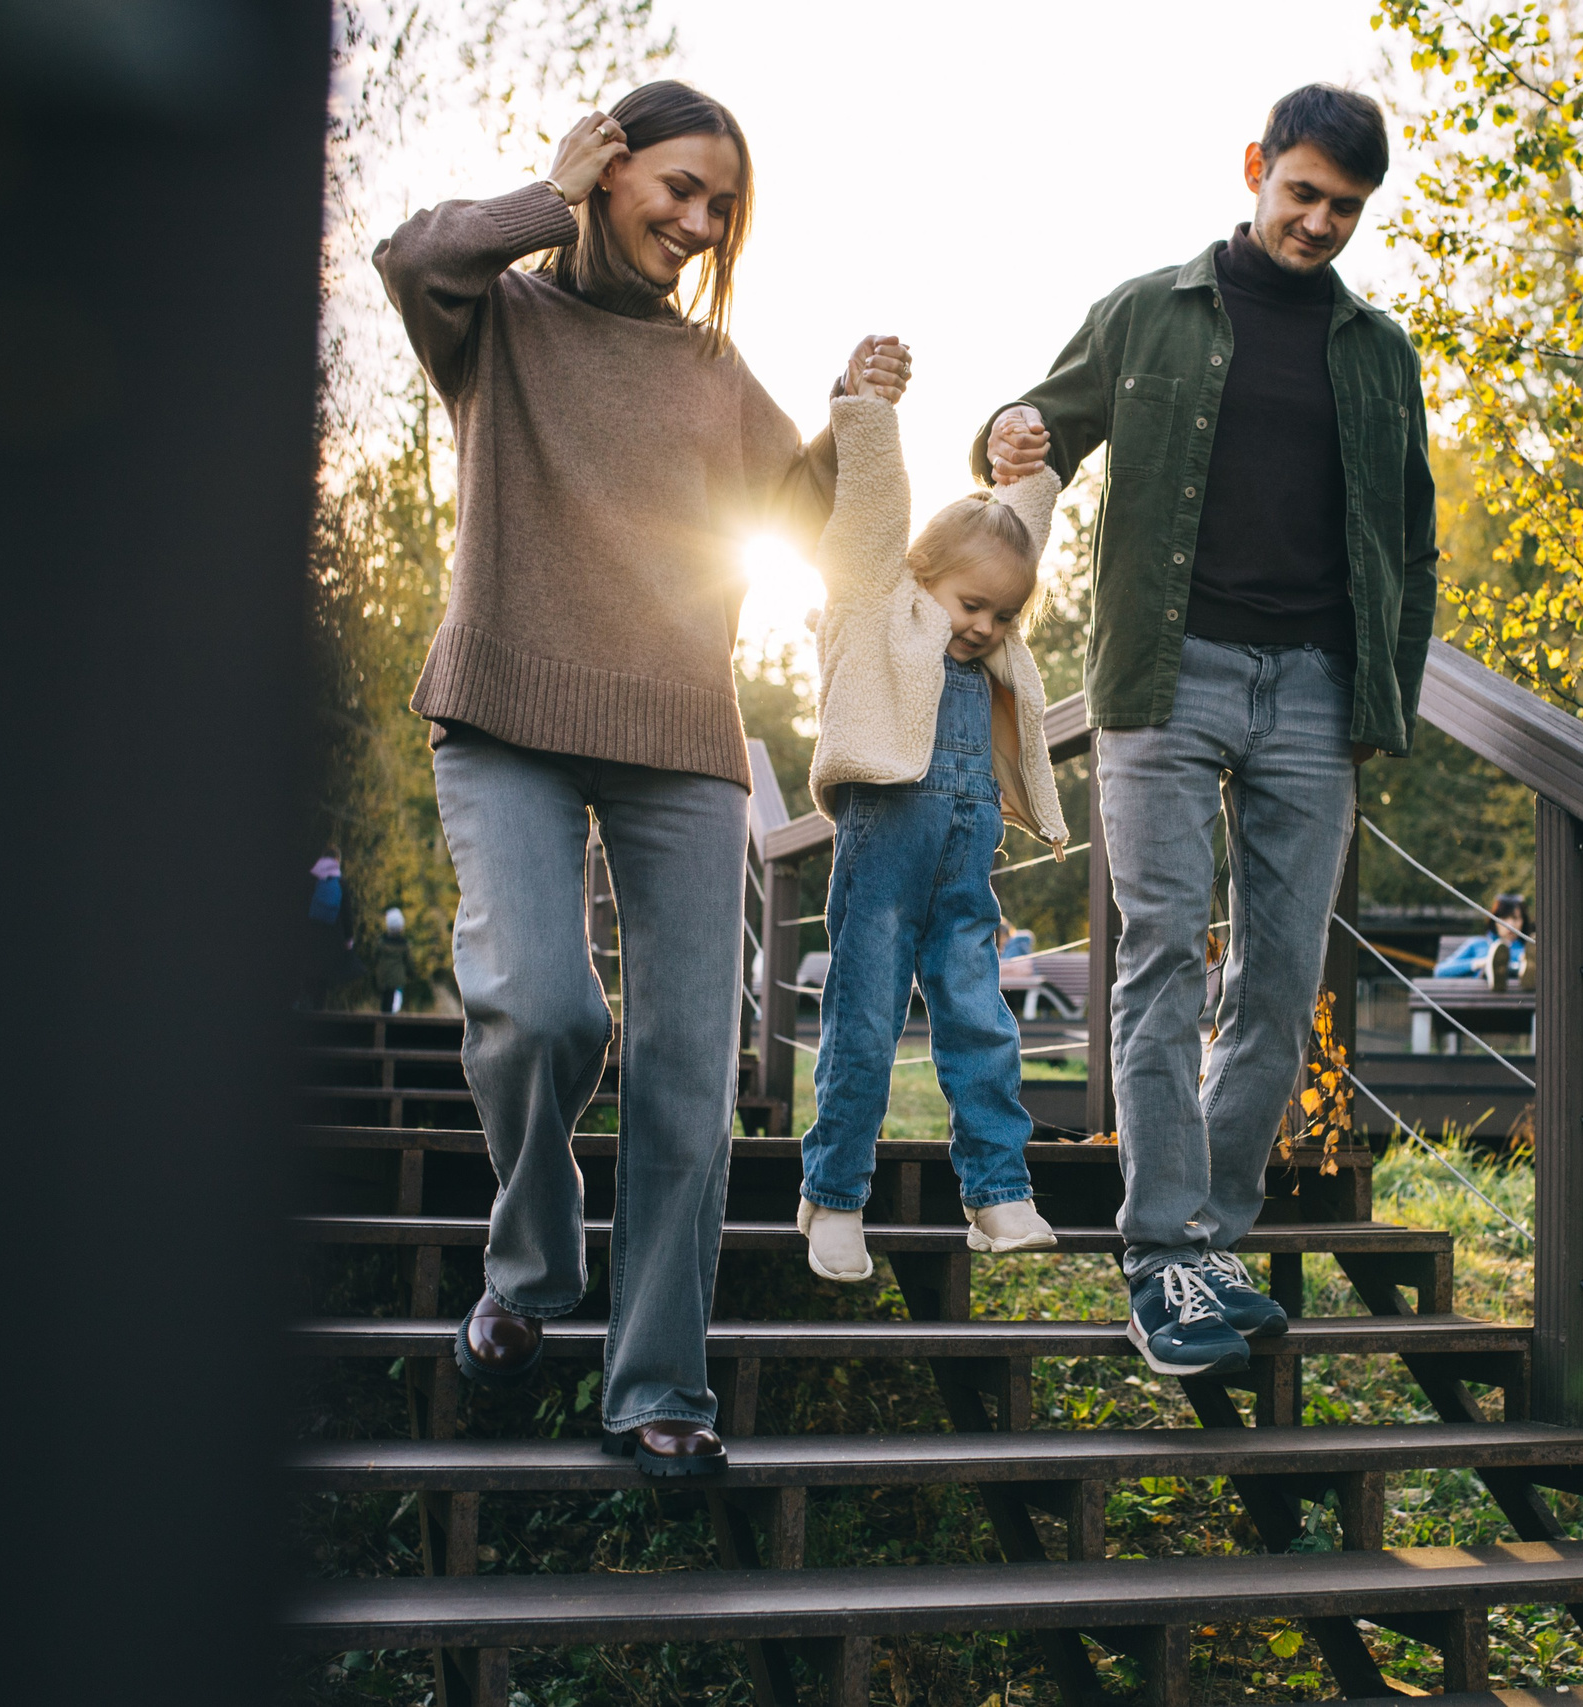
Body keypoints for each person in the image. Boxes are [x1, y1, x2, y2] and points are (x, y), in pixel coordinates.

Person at [376, 78, 910, 1478]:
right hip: (505, 714)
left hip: (678, 735)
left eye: (720, 204)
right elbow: (412, 256)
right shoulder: (499, 316)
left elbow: (797, 522)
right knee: (544, 1007)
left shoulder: (708, 371)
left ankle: (659, 1380)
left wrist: (852, 420)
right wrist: (543, 195)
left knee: (687, 1065)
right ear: (605, 169)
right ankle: (528, 1266)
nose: (698, 219)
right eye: (676, 186)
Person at [975, 85, 1438, 1376]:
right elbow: (1038, 428)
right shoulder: (1147, 313)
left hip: (1315, 691)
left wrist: (1379, 697)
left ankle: (1210, 1239)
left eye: (1345, 208)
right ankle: (1162, 1252)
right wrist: (1005, 433)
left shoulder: (1378, 352)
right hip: (1167, 674)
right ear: (1256, 171)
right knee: (1164, 954)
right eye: (1303, 194)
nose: (1320, 223)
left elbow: (1411, 538)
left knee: (1281, 975)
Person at [792, 392, 1069, 1280]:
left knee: (981, 1020)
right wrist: (868, 407)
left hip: (962, 862)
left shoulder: (989, 641)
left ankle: (996, 1192)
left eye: (1004, 616)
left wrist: (1018, 467)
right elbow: (870, 512)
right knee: (865, 1026)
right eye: (972, 605)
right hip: (883, 854)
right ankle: (834, 1197)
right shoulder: (881, 607)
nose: (985, 627)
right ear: (921, 575)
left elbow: (1015, 532)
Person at [300, 846, 361, 1009]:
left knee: (309, 971)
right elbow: (347, 914)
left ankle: (306, 1006)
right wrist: (348, 940)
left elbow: (300, 907)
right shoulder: (341, 882)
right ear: (337, 861)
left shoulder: (310, 878)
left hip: (310, 934)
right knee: (323, 976)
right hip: (332, 937)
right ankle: (319, 1010)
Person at [370, 907, 411, 1014]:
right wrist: (411, 972)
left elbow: (374, 957)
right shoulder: (404, 945)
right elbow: (408, 961)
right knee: (395, 1001)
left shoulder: (381, 942)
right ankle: (392, 1019)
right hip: (398, 979)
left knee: (385, 1001)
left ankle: (384, 1019)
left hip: (383, 976)